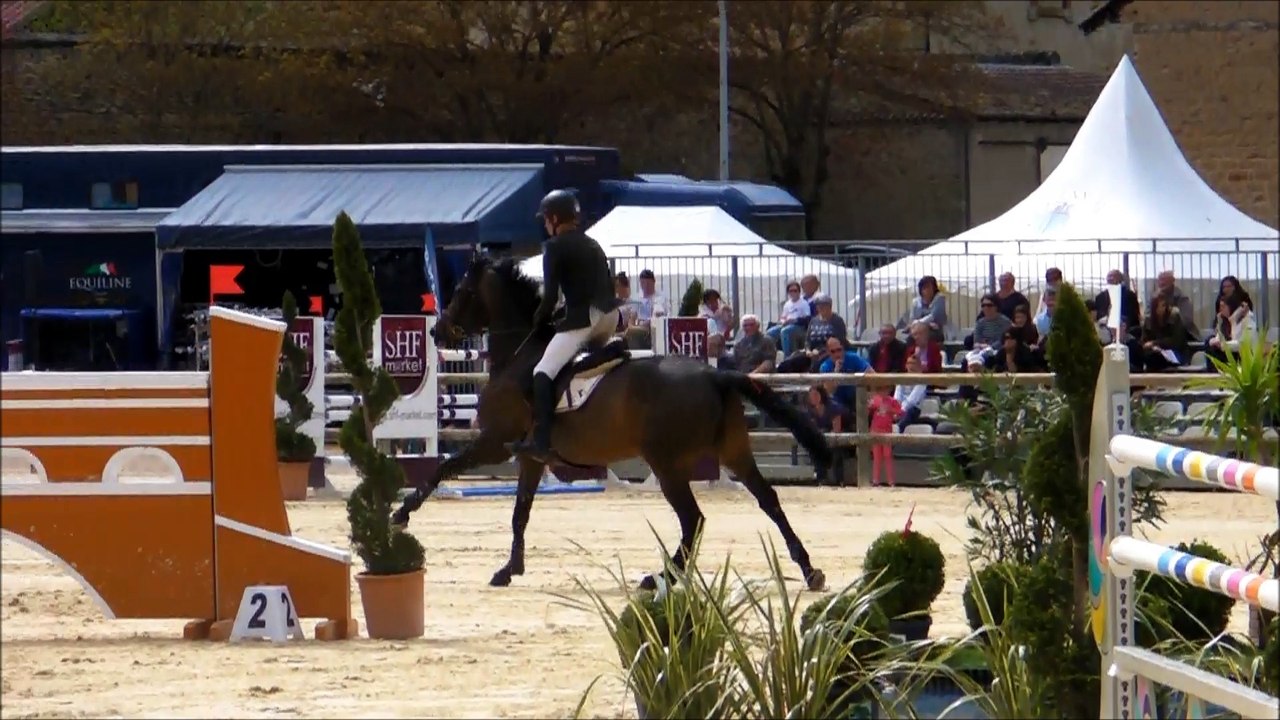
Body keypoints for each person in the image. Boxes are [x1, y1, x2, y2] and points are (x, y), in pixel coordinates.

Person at [507, 189, 622, 463]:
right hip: (610, 318)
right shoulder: (593, 243)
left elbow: (550, 298)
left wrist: (538, 321)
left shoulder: (554, 247)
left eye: (546, 220)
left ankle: (542, 441)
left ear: (555, 218)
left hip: (586, 319)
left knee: (543, 371)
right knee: (578, 362)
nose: (545, 225)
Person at [868, 387, 903, 488]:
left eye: (884, 389)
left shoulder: (892, 401)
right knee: (877, 457)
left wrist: (890, 410)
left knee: (888, 456)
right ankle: (876, 480)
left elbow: (901, 412)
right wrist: (870, 406)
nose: (882, 392)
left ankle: (891, 481)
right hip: (875, 431)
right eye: (880, 390)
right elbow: (867, 409)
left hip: (887, 431)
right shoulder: (875, 399)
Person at [766, 280, 811, 355]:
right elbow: (783, 317)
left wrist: (794, 320)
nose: (793, 293)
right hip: (786, 324)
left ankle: (787, 356)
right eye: (791, 291)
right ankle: (771, 355)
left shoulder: (804, 303)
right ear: (788, 292)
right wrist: (783, 321)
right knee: (770, 332)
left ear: (799, 292)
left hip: (799, 326)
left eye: (795, 290)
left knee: (785, 331)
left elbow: (807, 319)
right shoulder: (787, 304)